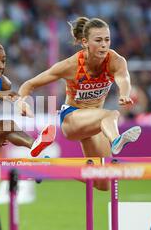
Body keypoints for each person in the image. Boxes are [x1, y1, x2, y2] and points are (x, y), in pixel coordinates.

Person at [17, 17, 142, 191]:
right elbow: (28, 85)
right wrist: (21, 101)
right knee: (111, 114)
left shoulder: (116, 60)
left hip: (96, 122)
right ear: (85, 42)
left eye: (107, 39)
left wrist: (124, 93)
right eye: (98, 40)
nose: (104, 45)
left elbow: (123, 78)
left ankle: (49, 166)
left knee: (103, 182)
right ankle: (116, 140)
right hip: (72, 118)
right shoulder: (71, 65)